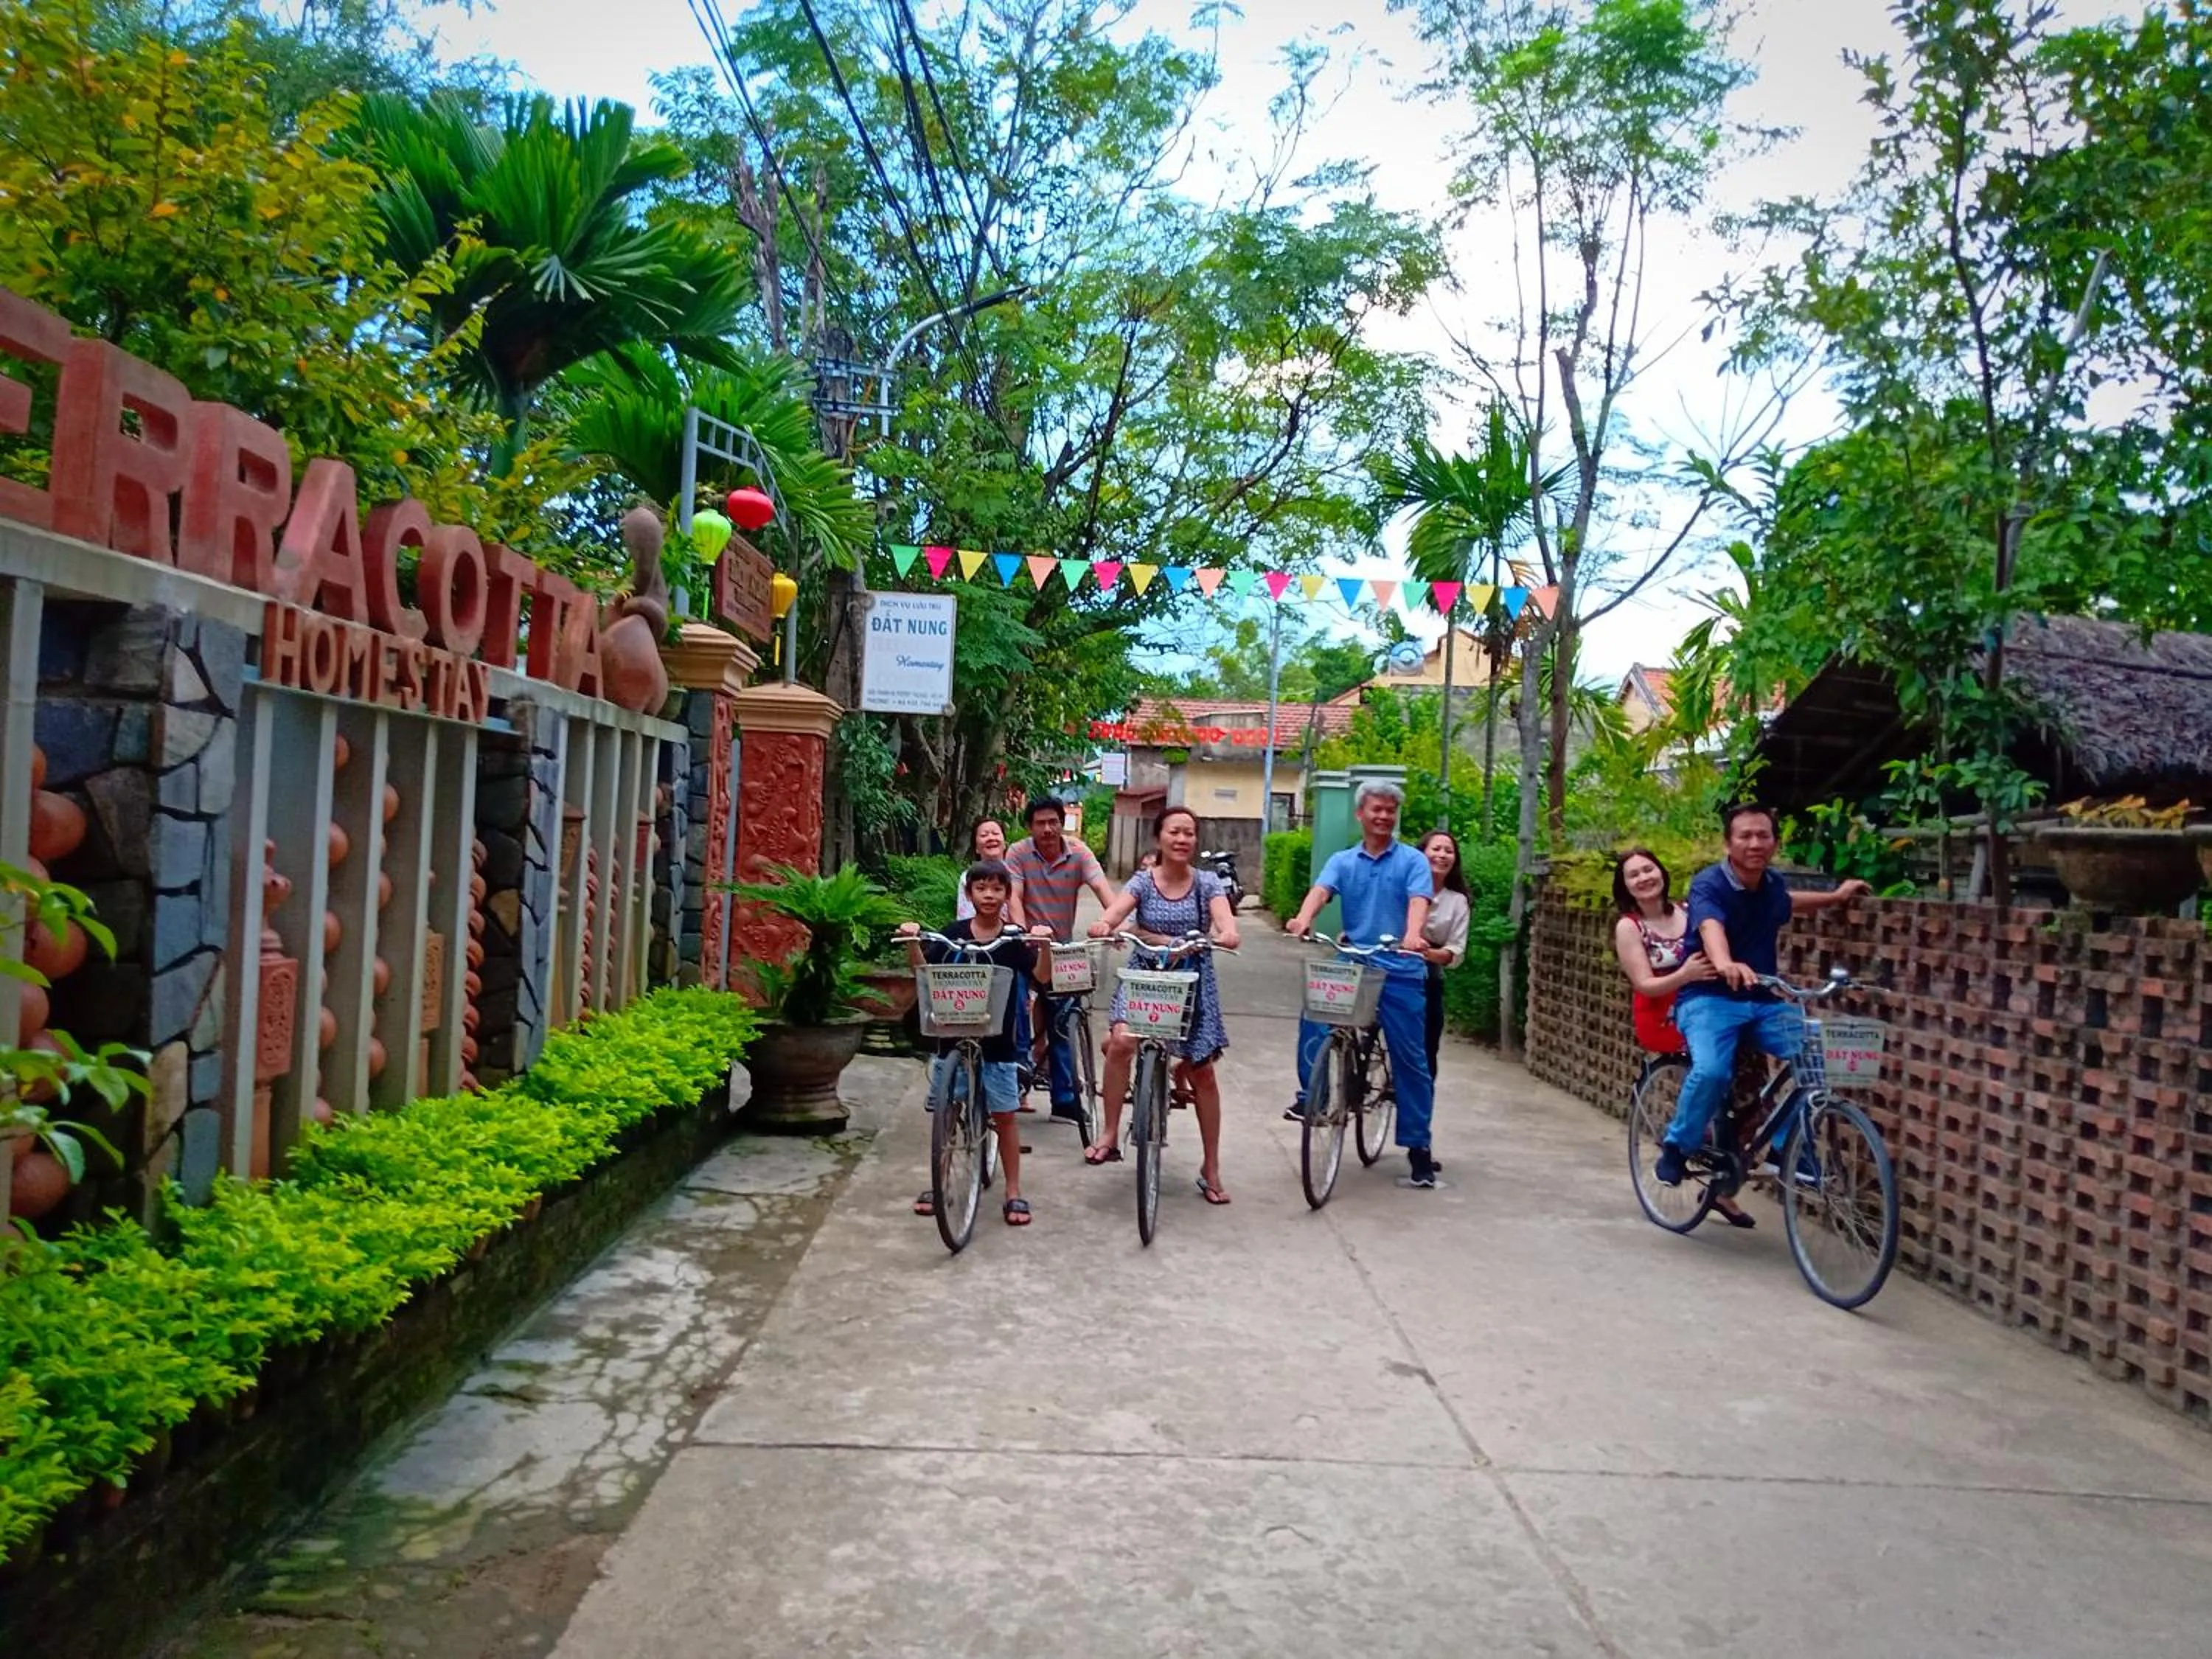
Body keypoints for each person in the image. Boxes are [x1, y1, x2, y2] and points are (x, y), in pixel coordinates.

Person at [1652, 805, 1870, 1189]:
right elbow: (1709, 926)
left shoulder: (1769, 885)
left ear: (1775, 842)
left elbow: (1788, 901)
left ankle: (1785, 1150)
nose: (1755, 843)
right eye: (1745, 836)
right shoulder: (1710, 884)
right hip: (1708, 998)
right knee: (1712, 1071)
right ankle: (1678, 1145)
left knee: (1816, 1058)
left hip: (1762, 999)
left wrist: (1836, 897)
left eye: (1763, 836)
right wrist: (1725, 963)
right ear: (1728, 843)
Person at [1284, 779, 1441, 1189]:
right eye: (1377, 809)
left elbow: (1418, 901)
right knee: (1314, 1014)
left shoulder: (1412, 861)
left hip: (1400, 968)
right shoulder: (1344, 860)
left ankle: (1418, 1147)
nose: (1384, 816)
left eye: (1391, 810)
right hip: (1354, 962)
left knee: (1411, 1060)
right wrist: (1304, 919)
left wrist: (1413, 935)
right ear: (1361, 814)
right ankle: (1313, 1099)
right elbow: (1321, 891)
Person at [1086, 805, 1240, 1201]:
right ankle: (1109, 1133)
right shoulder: (1142, 881)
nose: (1182, 839)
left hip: (1192, 982)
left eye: (1189, 833)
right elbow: (1116, 913)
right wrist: (1106, 925)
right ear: (1160, 837)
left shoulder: (1208, 884)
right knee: (1121, 1044)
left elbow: (1226, 923)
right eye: (1175, 832)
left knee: (1203, 1072)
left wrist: (1226, 933)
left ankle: (1212, 1166)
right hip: (1146, 979)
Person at [898, 860, 1055, 1226]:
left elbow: (1041, 977)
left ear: (1007, 895)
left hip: (998, 1041)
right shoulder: (953, 933)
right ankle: (938, 1182)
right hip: (951, 1034)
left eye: (997, 888)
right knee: (947, 1114)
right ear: (969, 894)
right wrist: (912, 941)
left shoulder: (1013, 939)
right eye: (981, 888)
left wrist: (1044, 946)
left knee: (1005, 1116)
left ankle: (1014, 1190)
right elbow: (924, 972)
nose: (989, 894)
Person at [1610, 847, 1756, 1228]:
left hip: (1709, 1006)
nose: (1644, 878)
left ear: (1661, 872)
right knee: (1714, 1072)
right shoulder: (1629, 927)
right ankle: (1690, 1138)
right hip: (1665, 1014)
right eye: (1634, 875)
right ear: (1625, 886)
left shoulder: (1690, 911)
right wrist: (1686, 974)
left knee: (1751, 1085)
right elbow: (1644, 983)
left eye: (1648, 869)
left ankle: (1724, 1179)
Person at [1006, 796, 1118, 1126]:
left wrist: (1112, 922)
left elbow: (1103, 889)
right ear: (1030, 828)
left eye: (1053, 821)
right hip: (1026, 943)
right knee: (1015, 1003)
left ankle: (1065, 1098)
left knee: (1065, 1019)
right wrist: (1021, 931)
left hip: (1065, 948)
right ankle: (1019, 1071)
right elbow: (1014, 895)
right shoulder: (1018, 853)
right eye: (1040, 823)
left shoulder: (1079, 852)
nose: (1047, 829)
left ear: (1062, 822)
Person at [1413, 830, 1472, 1082]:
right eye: (1436, 849)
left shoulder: (1458, 901)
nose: (1442, 855)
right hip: (1391, 963)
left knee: (1427, 1045)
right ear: (1422, 854)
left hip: (1429, 972)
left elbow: (1455, 951)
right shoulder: (1403, 888)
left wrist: (1427, 953)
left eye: (1449, 851)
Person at [955, 819, 1026, 926]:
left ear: (1005, 844)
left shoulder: (1018, 873)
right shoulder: (967, 877)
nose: (991, 838)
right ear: (976, 849)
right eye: (984, 835)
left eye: (996, 834)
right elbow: (965, 917)